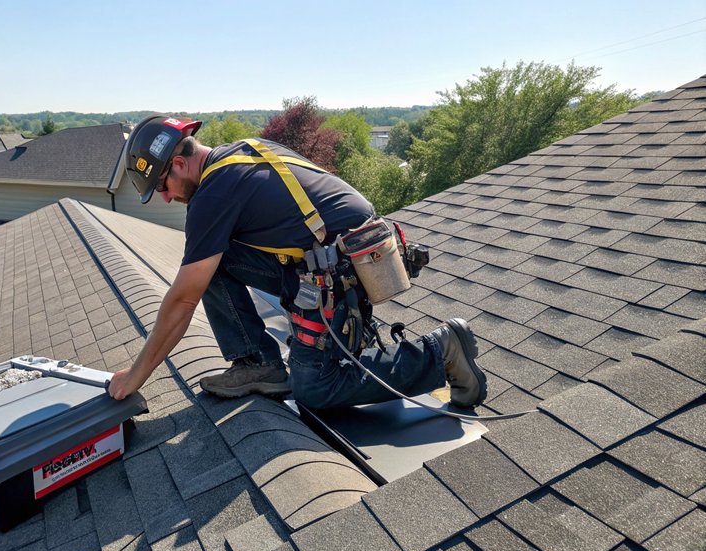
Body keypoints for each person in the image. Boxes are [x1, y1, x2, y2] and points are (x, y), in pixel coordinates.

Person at [107, 115, 486, 410]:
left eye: (161, 186)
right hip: (338, 261)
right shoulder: (242, 151)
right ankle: (259, 363)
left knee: (315, 388)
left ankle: (443, 351)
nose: (167, 198)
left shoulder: (214, 192)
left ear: (177, 164)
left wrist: (137, 375)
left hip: (341, 273)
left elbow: (183, 300)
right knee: (210, 261)